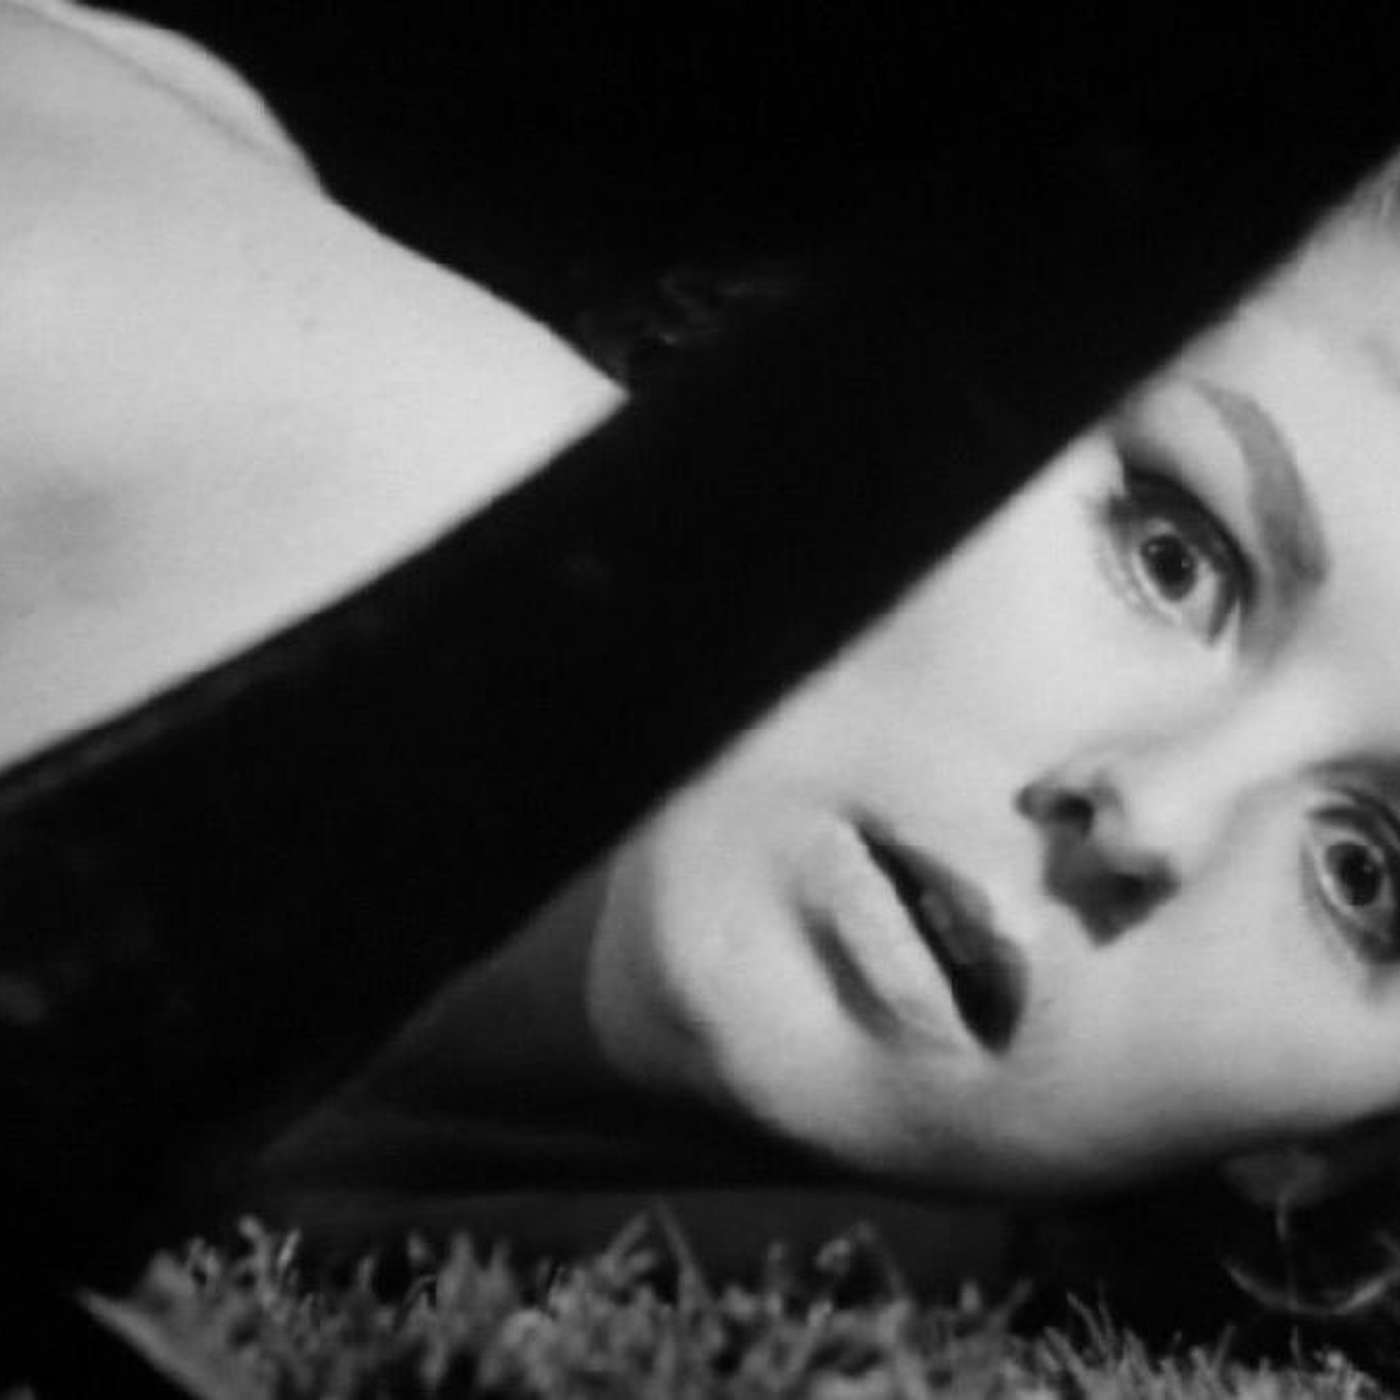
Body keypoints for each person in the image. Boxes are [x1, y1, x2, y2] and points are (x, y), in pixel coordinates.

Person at [7, 0, 1400, 1313]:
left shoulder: (851, 1258)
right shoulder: (96, 366)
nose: (1151, 816)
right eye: (1172, 558)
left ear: (1330, 1155)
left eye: (1366, 877)